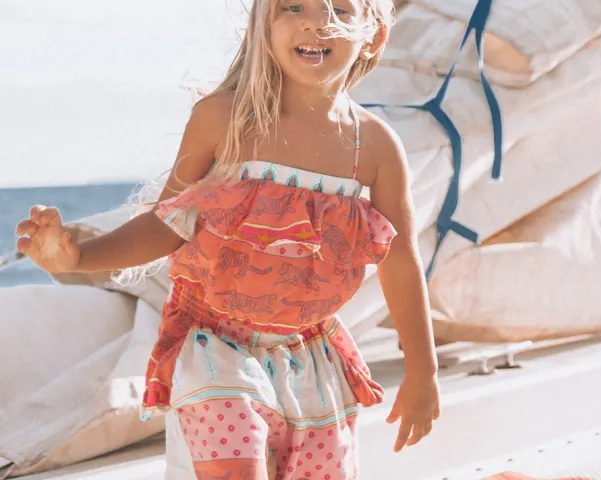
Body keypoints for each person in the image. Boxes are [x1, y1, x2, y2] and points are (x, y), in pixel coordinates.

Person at [15, 0, 441, 478]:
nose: (314, 20)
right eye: (292, 6)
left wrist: (423, 369)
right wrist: (77, 258)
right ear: (264, 25)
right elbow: (165, 224)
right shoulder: (224, 120)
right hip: (216, 349)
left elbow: (400, 260)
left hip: (314, 360)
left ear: (374, 35)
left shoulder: (376, 146)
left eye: (338, 8)